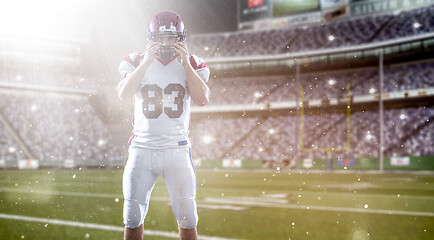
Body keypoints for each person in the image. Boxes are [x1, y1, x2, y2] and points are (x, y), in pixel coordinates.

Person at [117, 10, 210, 240]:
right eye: (160, 37)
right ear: (151, 38)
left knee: (188, 216)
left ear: (181, 38)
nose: (165, 43)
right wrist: (147, 62)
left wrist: (186, 66)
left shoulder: (193, 63)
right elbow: (123, 93)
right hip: (142, 148)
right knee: (132, 216)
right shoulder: (136, 60)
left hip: (176, 149)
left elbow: (202, 99)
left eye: (171, 38)